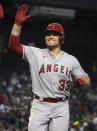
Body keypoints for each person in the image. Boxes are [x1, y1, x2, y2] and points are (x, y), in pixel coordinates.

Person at [8, 4, 90, 131]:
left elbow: (86, 79)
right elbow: (14, 47)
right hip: (40, 105)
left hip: (61, 106)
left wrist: (84, 81)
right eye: (48, 34)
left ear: (61, 38)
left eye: (55, 34)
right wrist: (17, 25)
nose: (50, 36)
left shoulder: (71, 59)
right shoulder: (36, 53)